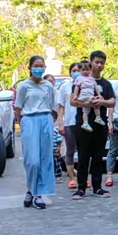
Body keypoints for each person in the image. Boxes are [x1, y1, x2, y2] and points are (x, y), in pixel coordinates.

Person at [70, 50, 116, 200]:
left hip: (100, 125)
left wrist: (101, 101)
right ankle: (81, 188)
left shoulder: (106, 84)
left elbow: (112, 101)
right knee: (83, 156)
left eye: (102, 63)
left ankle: (97, 187)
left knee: (98, 157)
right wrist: (86, 103)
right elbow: (72, 101)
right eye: (96, 62)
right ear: (90, 63)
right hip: (83, 124)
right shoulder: (80, 81)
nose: (99, 65)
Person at [14, 55, 56, 210]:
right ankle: (30, 189)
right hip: (29, 120)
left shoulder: (48, 86)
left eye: (41, 66)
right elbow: (18, 108)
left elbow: (52, 105)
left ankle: (37, 194)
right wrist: (22, 125)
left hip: (45, 119)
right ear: (30, 68)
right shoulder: (24, 86)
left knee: (44, 158)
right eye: (36, 66)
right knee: (32, 160)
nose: (38, 69)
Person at [56, 62, 81, 189]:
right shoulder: (65, 87)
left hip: (83, 123)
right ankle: (71, 178)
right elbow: (61, 107)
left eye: (78, 70)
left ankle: (83, 178)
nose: (76, 72)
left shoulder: (86, 85)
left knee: (84, 152)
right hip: (69, 122)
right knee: (70, 150)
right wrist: (60, 123)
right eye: (74, 70)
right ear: (70, 73)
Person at [73, 60, 106, 132]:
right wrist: (75, 95)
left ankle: (85, 123)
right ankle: (98, 117)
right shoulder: (79, 78)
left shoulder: (92, 79)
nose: (85, 71)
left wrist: (99, 94)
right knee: (95, 101)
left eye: (87, 69)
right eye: (83, 70)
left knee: (86, 111)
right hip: (84, 96)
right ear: (80, 70)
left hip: (90, 96)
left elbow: (96, 87)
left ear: (90, 70)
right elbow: (77, 87)